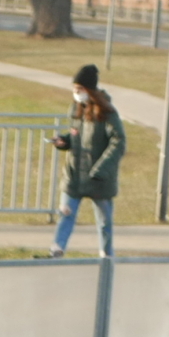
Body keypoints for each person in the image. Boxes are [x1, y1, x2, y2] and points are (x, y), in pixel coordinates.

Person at [50, 63, 126, 258]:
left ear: (89, 90)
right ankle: (57, 249)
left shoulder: (107, 113)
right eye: (74, 89)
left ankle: (107, 255)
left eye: (79, 89)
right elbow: (77, 137)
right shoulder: (76, 110)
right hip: (75, 176)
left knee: (104, 221)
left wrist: (102, 169)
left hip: (98, 178)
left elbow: (118, 142)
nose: (76, 93)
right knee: (66, 213)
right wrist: (64, 141)